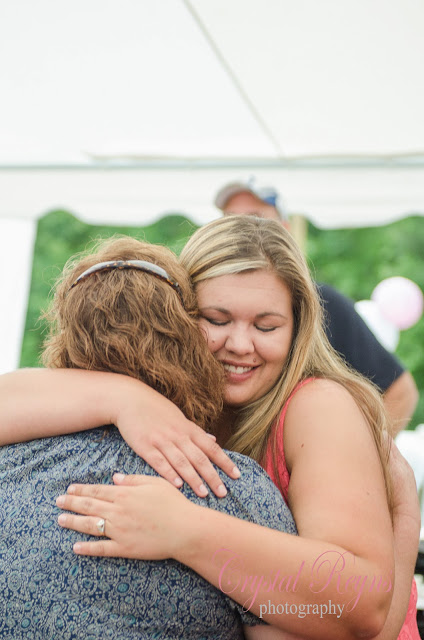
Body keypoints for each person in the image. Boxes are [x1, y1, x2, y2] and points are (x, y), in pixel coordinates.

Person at [0, 219, 419, 639]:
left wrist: (185, 530)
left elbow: (358, 608)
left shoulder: (318, 406)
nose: (240, 344)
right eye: (217, 320)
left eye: (266, 326)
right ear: (179, 315)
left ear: (297, 331)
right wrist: (122, 397)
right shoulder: (169, 402)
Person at [0, 235, 300, 640]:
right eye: (216, 321)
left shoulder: (10, 461)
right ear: (189, 344)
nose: (239, 344)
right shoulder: (229, 487)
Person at [213, 180, 419, 435]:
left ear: (285, 228)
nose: (242, 231)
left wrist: (366, 449)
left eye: (266, 325)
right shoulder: (192, 295)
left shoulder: (325, 304)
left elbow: (400, 391)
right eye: (217, 319)